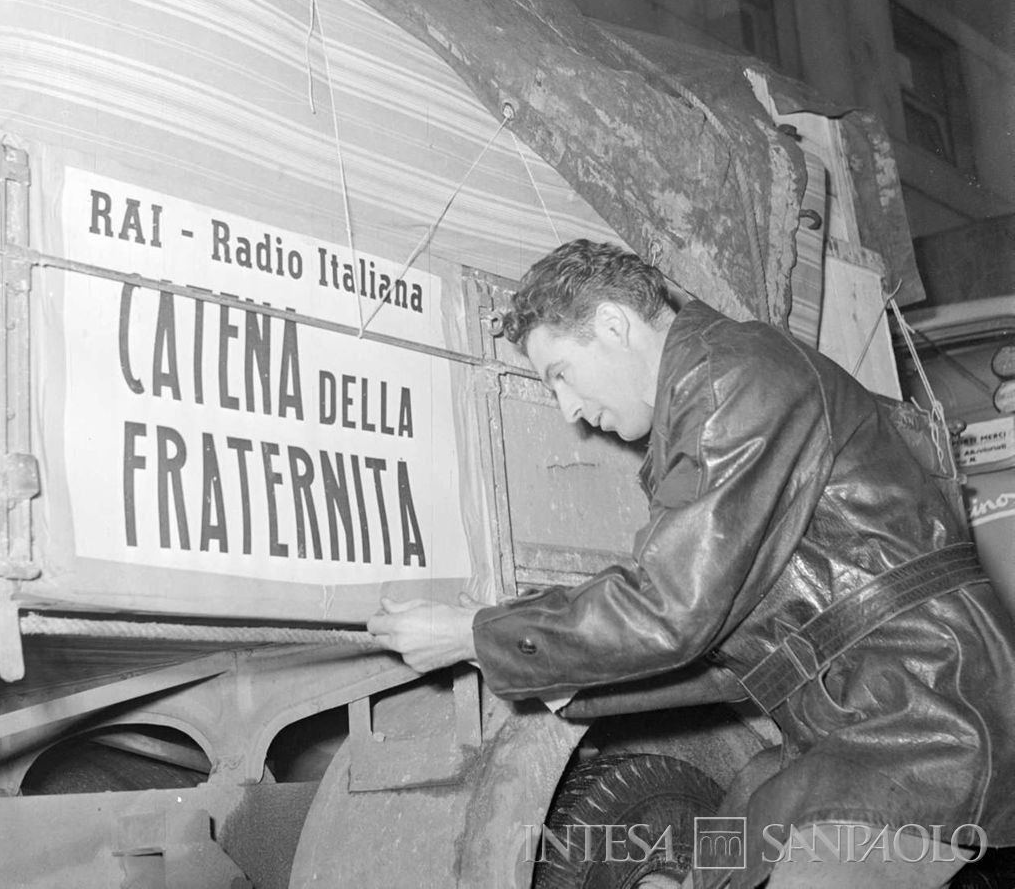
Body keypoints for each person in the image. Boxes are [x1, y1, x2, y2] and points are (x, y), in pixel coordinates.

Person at [367, 239, 1015, 889]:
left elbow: (671, 608)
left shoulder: (737, 380)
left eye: (561, 373)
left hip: (930, 719)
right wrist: (544, 672)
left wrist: (476, 633)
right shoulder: (710, 405)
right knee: (729, 850)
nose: (569, 411)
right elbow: (729, 658)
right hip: (871, 719)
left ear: (614, 324)